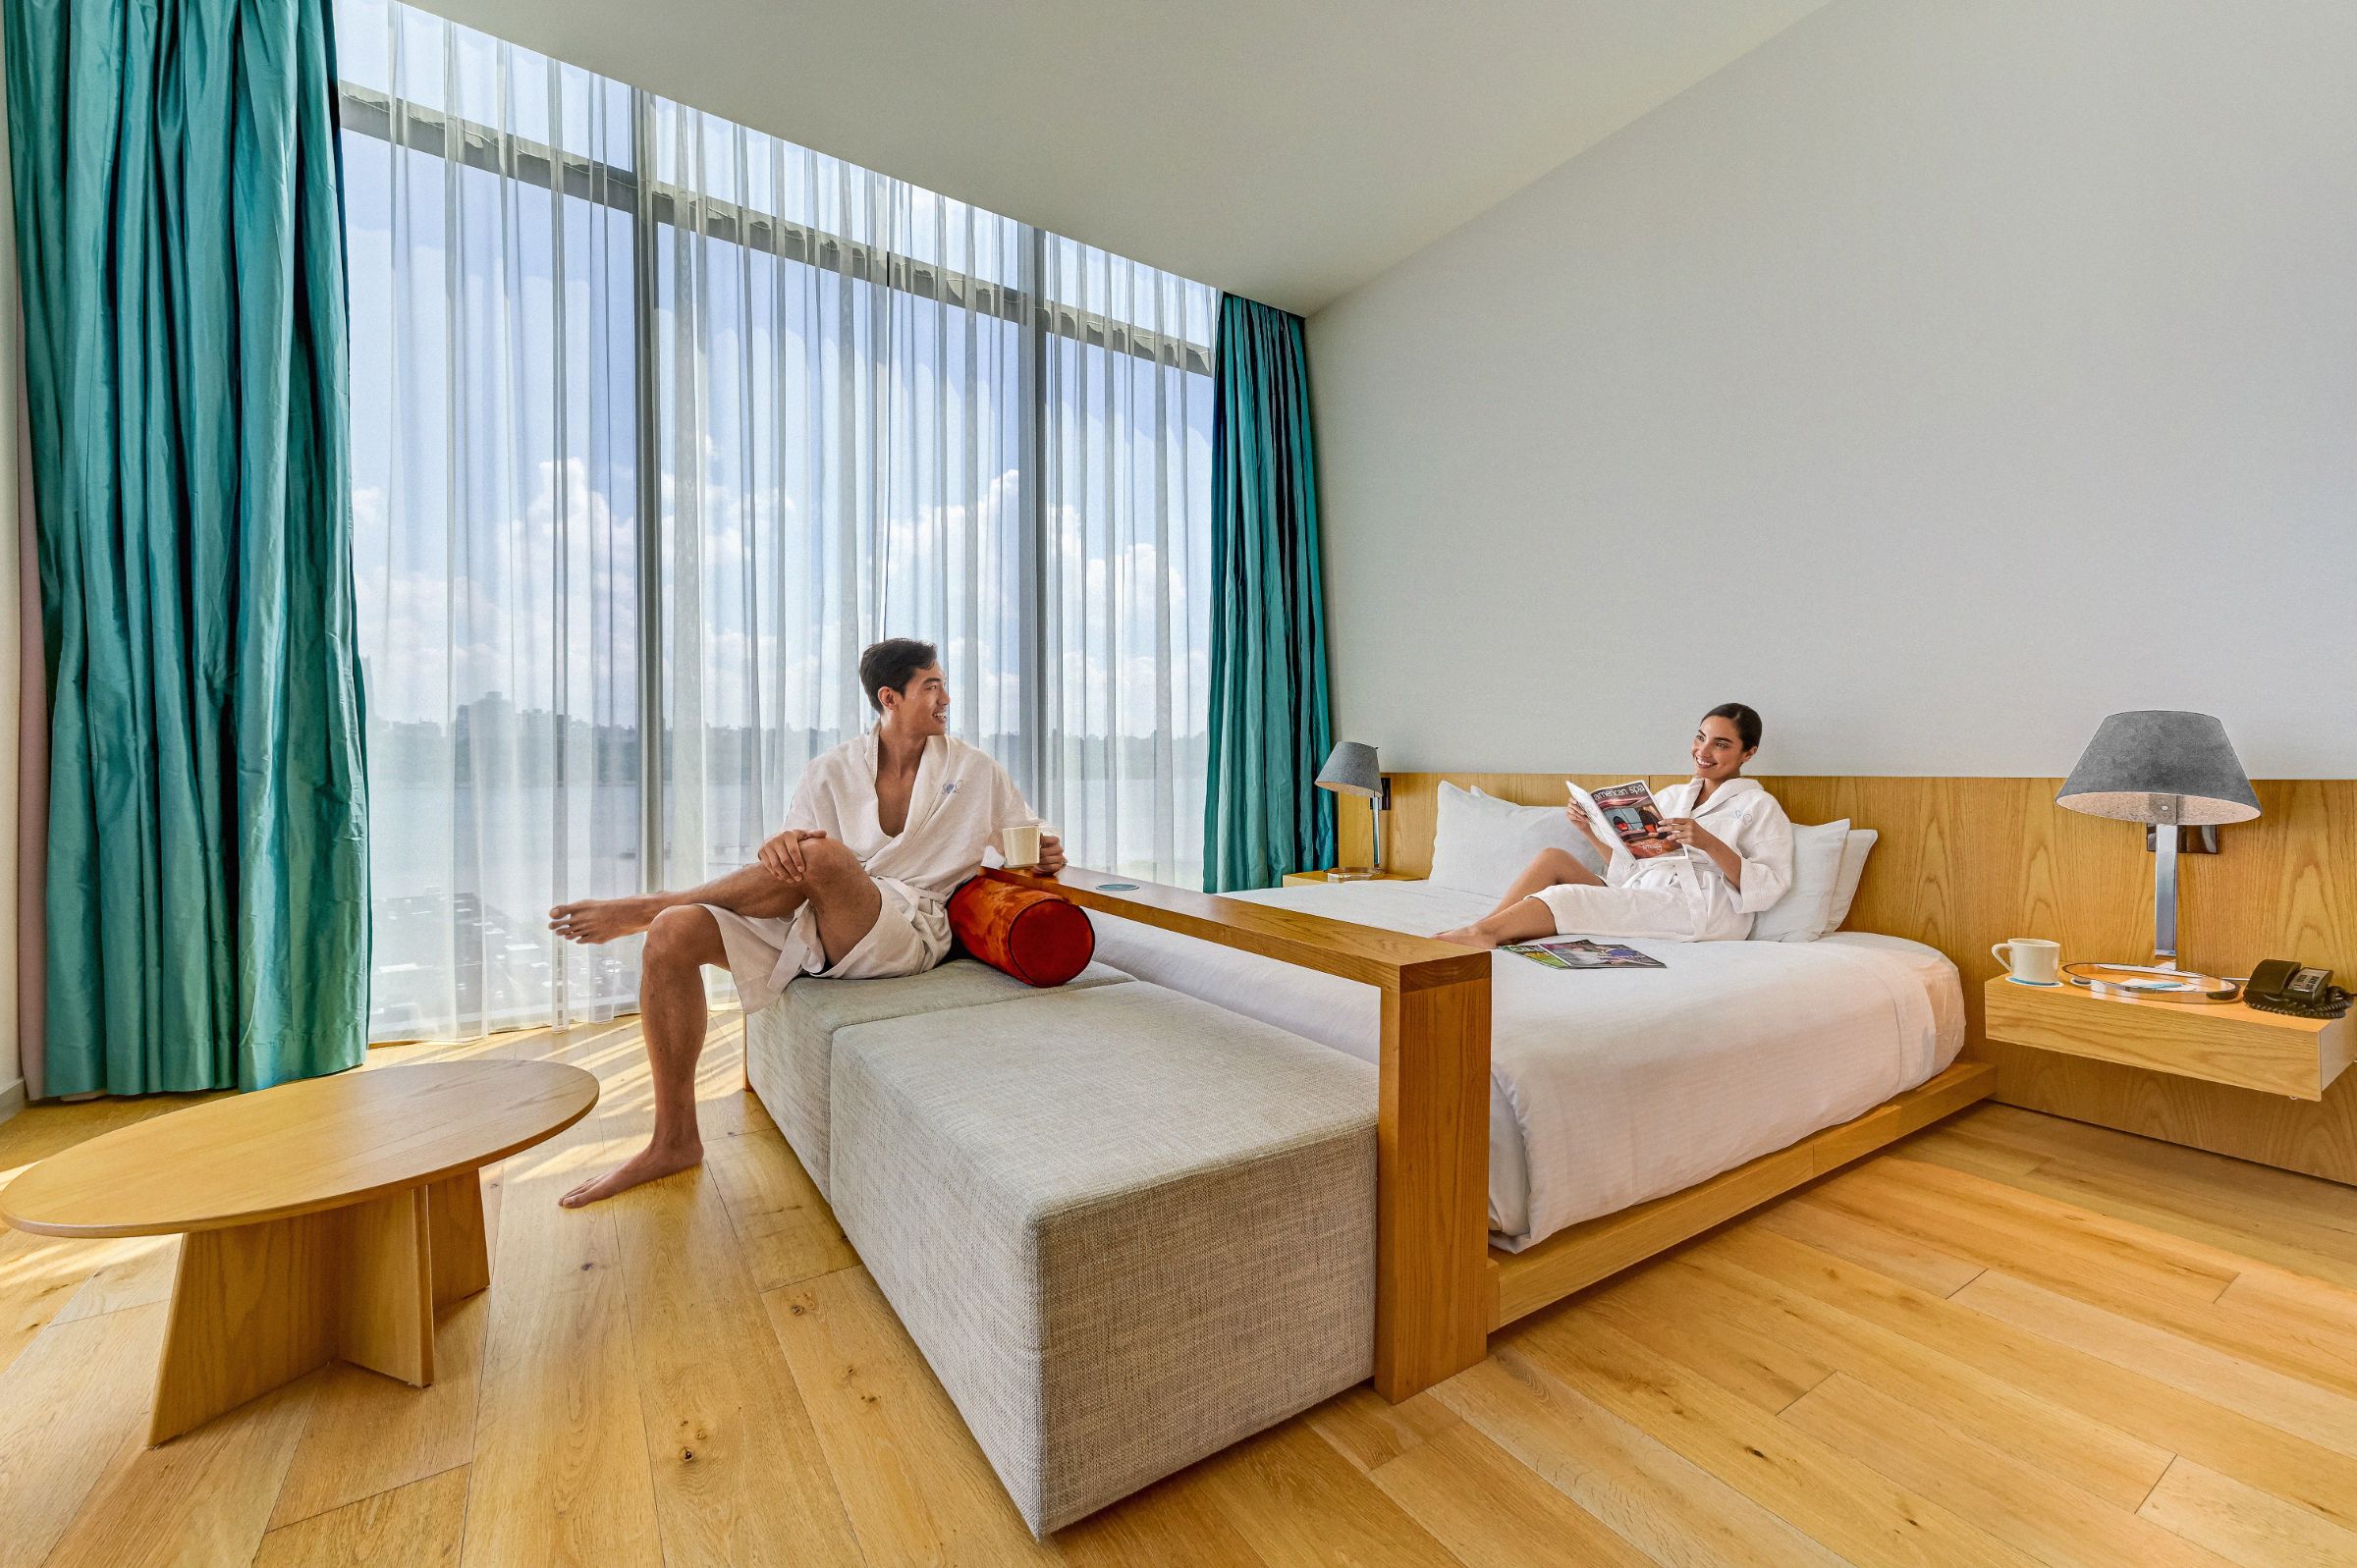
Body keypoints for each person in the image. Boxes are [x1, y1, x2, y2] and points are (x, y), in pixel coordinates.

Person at [546, 637, 1063, 1207]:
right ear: (890, 698)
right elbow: (787, 861)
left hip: (904, 929)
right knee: (674, 933)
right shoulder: (832, 769)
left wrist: (1045, 852)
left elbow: (1028, 838)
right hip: (815, 919)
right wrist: (782, 845)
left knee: (819, 856)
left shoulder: (974, 770)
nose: (946, 697)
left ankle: (649, 905)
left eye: (943, 684)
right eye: (931, 686)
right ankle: (673, 1140)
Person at [1435, 703, 1793, 949]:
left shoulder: (1759, 806)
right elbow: (1631, 868)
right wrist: (1589, 830)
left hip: (1702, 907)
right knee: (1552, 858)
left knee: (1565, 897)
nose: (1704, 750)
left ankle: (1483, 933)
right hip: (1649, 888)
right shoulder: (1671, 797)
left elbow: (1770, 884)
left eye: (1721, 744)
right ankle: (1486, 929)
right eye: (1700, 737)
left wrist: (1708, 843)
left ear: (1749, 753)